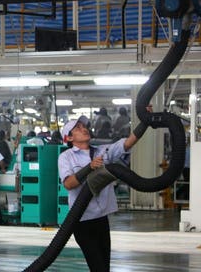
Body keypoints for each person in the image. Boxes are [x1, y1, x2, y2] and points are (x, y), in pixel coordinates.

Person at [59, 113, 148, 272]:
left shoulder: (102, 151)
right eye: (78, 128)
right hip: (81, 221)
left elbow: (128, 143)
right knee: (98, 267)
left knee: (103, 267)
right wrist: (89, 168)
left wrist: (146, 120)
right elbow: (68, 183)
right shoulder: (66, 157)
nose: (84, 129)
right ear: (69, 138)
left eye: (84, 126)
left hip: (101, 220)